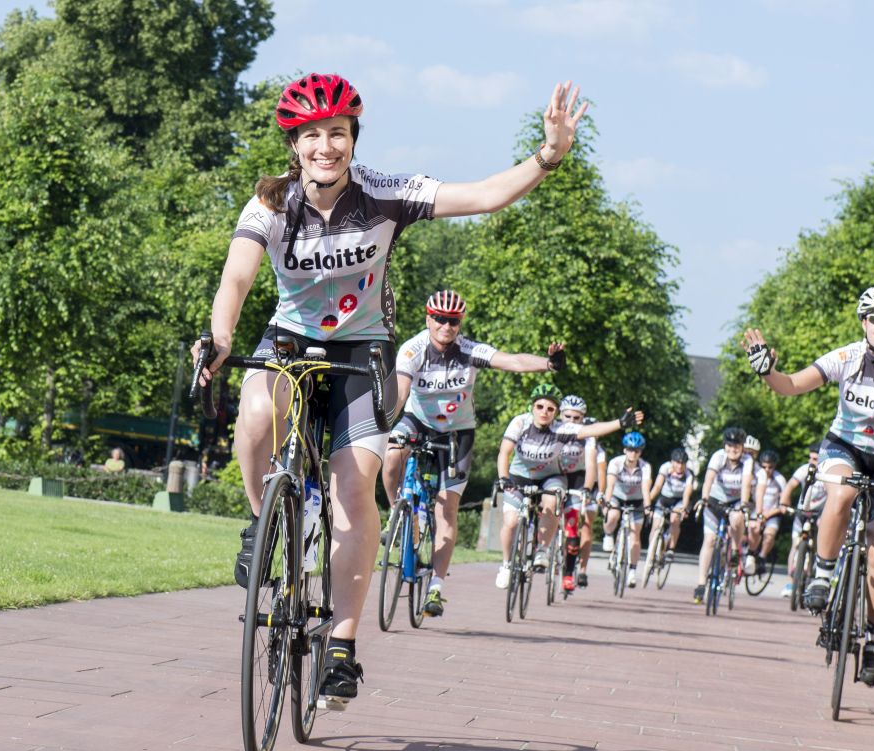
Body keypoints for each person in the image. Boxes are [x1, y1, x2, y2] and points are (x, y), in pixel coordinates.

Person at [193, 73, 590, 710]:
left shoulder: (385, 194)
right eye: (312, 135)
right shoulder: (269, 203)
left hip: (362, 351)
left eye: (338, 133)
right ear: (294, 145)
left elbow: (484, 196)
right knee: (257, 410)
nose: (326, 145)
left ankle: (342, 649)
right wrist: (217, 337)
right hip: (289, 340)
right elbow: (235, 281)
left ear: (353, 139)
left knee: (355, 489)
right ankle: (260, 518)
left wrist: (549, 154)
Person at [743, 284, 874, 685]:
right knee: (840, 492)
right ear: (864, 322)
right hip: (845, 448)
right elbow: (790, 385)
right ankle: (823, 575)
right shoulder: (847, 357)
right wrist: (766, 371)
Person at [382, 290, 564, 617]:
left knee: (446, 510)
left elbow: (512, 360)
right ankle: (398, 512)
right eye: (439, 318)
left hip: (457, 432)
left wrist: (548, 364)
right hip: (418, 421)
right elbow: (402, 390)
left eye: (452, 320)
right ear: (428, 318)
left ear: (459, 323)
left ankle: (436, 587)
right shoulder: (414, 348)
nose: (445, 326)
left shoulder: (468, 350)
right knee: (393, 452)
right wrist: (386, 423)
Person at [497, 384, 640, 588]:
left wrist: (619, 423)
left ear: (556, 413)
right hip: (519, 475)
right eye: (539, 406)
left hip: (551, 476)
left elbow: (590, 430)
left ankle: (542, 551)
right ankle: (506, 565)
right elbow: (504, 452)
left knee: (552, 500)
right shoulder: (520, 422)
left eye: (550, 409)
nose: (544, 412)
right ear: (532, 407)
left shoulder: (561, 429)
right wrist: (503, 477)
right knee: (510, 522)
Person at [693, 427, 754, 604]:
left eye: (736, 446)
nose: (732, 450)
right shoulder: (718, 456)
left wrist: (743, 503)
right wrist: (704, 498)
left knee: (737, 518)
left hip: (735, 501)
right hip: (715, 500)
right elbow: (709, 479)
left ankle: (735, 550)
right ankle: (701, 584)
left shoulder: (747, 460)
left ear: (742, 447)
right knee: (710, 540)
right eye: (729, 446)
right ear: (724, 446)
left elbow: (746, 484)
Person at [556, 395, 597, 592]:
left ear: (583, 419)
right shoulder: (553, 428)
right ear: (560, 415)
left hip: (577, 478)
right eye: (568, 416)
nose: (571, 422)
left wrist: (587, 489)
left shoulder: (588, 436)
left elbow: (591, 465)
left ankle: (567, 574)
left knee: (573, 529)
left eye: (577, 418)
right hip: (553, 474)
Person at [601, 431, 653, 587]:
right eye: (630, 450)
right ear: (625, 450)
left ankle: (632, 570)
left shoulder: (645, 467)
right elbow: (609, 485)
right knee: (613, 515)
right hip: (617, 497)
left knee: (635, 536)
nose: (633, 453)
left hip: (636, 501)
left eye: (636, 451)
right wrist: (607, 503)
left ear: (640, 452)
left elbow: (645, 488)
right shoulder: (616, 463)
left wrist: (648, 506)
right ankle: (608, 534)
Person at [779, 443, 827, 599]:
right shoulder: (803, 470)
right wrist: (784, 503)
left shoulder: (828, 471)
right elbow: (790, 486)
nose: (813, 461)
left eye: (816, 458)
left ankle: (816, 575)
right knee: (795, 545)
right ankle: (790, 582)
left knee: (822, 542)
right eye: (811, 458)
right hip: (802, 512)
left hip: (819, 513)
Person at [645, 447, 694, 584]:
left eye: (682, 463)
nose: (679, 466)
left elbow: (687, 494)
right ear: (672, 462)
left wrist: (684, 508)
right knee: (656, 525)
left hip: (678, 501)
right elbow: (657, 486)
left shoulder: (689, 474)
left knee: (675, 519)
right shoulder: (665, 468)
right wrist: (647, 502)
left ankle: (671, 548)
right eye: (677, 463)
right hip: (664, 498)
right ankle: (652, 551)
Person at [577, 415, 608, 588]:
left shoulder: (599, 451)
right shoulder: (573, 443)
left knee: (587, 526)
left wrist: (601, 492)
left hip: (591, 489)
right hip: (573, 485)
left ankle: (582, 570)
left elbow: (602, 473)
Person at [747, 449, 787, 576]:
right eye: (764, 466)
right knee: (753, 530)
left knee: (769, 535)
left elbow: (784, 504)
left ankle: (762, 558)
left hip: (771, 513)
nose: (767, 470)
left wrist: (768, 514)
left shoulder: (779, 479)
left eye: (770, 467)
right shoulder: (755, 476)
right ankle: (750, 553)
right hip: (756, 511)